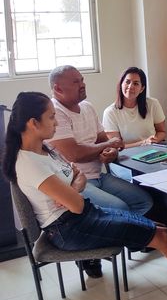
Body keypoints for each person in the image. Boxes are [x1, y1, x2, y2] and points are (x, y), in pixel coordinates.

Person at [1, 92, 167, 297]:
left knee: (159, 229)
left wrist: (72, 187)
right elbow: (75, 203)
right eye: (51, 117)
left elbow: (77, 176)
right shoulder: (30, 163)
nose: (55, 123)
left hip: (81, 215)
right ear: (33, 123)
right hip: (68, 229)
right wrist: (74, 186)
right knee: (160, 235)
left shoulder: (46, 150)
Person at [47, 65, 153, 277]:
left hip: (98, 175)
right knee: (120, 207)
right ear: (58, 89)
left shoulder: (87, 107)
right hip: (74, 182)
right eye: (76, 82)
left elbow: (104, 141)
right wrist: (108, 145)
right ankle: (91, 252)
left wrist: (109, 151)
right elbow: (74, 154)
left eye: (82, 79)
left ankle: (122, 236)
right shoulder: (54, 112)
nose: (83, 84)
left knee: (144, 201)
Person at [103, 67, 167, 148]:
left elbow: (161, 132)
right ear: (121, 84)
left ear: (142, 89)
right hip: (126, 153)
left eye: (136, 83)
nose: (130, 86)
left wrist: (154, 140)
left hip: (153, 149)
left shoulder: (153, 104)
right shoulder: (110, 112)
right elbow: (116, 146)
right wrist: (144, 142)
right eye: (127, 82)